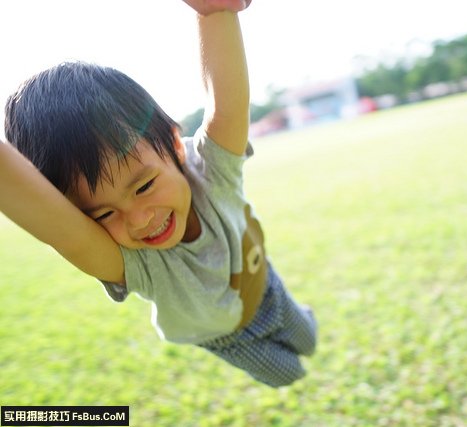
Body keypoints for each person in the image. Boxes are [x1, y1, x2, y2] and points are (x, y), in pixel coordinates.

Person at [0, 0, 317, 388]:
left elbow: (228, 104)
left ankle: (305, 319)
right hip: (228, 335)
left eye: (144, 186)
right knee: (286, 374)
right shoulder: (132, 263)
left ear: (174, 143)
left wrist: (215, 11)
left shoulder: (211, 172)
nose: (139, 219)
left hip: (267, 285)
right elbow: (57, 227)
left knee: (308, 339)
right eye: (103, 215)